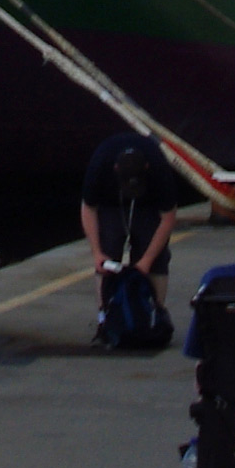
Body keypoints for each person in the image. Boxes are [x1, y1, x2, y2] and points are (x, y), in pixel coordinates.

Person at [80, 128, 184, 350]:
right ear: (116, 169)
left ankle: (154, 314)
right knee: (107, 256)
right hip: (110, 204)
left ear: (146, 168)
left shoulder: (157, 165)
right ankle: (105, 319)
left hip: (149, 206)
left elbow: (167, 218)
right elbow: (89, 209)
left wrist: (145, 261)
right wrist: (97, 252)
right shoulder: (101, 163)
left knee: (156, 260)